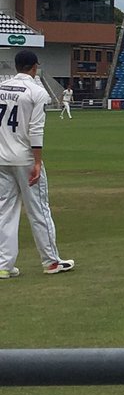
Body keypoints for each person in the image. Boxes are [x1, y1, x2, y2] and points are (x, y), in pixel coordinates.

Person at [0, 50, 75, 279]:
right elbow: (36, 129)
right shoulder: (36, 91)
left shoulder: (1, 87)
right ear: (34, 67)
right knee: (39, 209)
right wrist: (38, 162)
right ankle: (51, 261)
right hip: (25, 159)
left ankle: (4, 265)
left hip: (2, 158)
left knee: (4, 211)